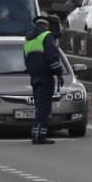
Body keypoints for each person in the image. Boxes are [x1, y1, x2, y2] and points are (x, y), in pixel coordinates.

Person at [23, 15, 63, 145]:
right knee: (44, 108)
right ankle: (39, 136)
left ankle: (36, 133)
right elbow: (53, 57)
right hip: (45, 77)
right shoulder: (46, 36)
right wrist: (59, 73)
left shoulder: (28, 39)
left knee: (39, 107)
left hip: (34, 77)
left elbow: (26, 59)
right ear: (46, 26)